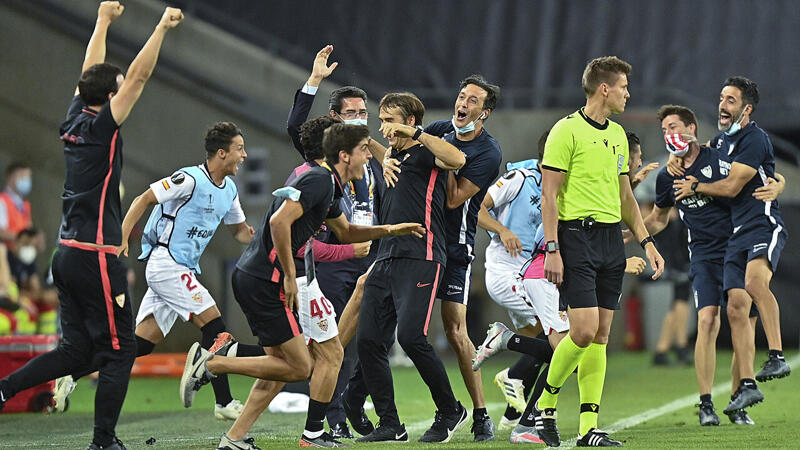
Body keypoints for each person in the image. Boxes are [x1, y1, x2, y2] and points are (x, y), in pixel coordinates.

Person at [0, 3, 184, 449]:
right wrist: (161, 27)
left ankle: (3, 390)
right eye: (117, 87)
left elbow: (91, 73)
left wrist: (102, 21)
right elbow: (138, 77)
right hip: (95, 257)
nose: (124, 88)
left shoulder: (73, 118)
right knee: (120, 351)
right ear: (109, 96)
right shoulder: (101, 129)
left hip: (66, 255)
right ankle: (103, 442)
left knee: (75, 351)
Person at [179, 123, 424, 449]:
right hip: (266, 281)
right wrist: (289, 276)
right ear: (344, 155)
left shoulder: (330, 184)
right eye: (364, 150)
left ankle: (236, 439)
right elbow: (279, 221)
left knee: (292, 365)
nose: (370, 157)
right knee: (299, 366)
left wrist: (390, 230)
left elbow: (346, 231)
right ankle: (212, 363)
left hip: (268, 279)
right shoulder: (319, 180)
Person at [532, 56, 664, 447]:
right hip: (575, 237)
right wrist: (552, 248)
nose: (628, 94)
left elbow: (625, 197)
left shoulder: (619, 136)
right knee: (584, 330)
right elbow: (549, 195)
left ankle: (588, 429)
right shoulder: (565, 130)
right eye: (623, 86)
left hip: (609, 239)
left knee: (602, 335)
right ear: (604, 88)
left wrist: (647, 242)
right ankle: (545, 405)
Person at [384, 74, 503, 441]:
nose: (462, 103)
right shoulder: (438, 130)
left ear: (484, 113)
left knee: (454, 330)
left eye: (472, 100)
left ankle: (480, 413)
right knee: (381, 317)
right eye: (461, 95)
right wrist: (387, 158)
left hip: (454, 247)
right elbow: (400, 147)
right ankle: (372, 413)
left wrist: (444, 159)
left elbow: (453, 199)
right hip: (419, 244)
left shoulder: (488, 152)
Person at [659, 104, 785, 423]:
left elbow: (755, 175)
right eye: (664, 130)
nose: (669, 135)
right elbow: (658, 217)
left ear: (691, 128)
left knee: (741, 314)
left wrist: (779, 182)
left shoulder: (720, 156)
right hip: (703, 255)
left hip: (734, 246)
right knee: (707, 321)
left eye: (674, 127)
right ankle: (706, 404)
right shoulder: (667, 174)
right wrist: (632, 235)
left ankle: (738, 397)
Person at [355, 92, 467, 443]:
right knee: (368, 340)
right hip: (385, 257)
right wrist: (375, 146)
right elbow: (374, 145)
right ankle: (390, 424)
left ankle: (450, 410)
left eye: (390, 121)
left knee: (410, 337)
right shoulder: (391, 156)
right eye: (382, 120)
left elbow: (458, 158)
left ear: (410, 122)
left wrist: (413, 134)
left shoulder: (426, 151)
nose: (384, 127)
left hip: (423, 256)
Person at [285, 46, 385, 439]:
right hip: (331, 259)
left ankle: (351, 406)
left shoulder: (374, 158)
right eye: (351, 112)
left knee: (368, 341)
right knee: (331, 343)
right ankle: (334, 417)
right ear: (334, 119)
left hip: (368, 258)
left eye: (364, 112)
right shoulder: (328, 156)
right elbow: (296, 128)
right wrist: (314, 80)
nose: (360, 118)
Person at [0, 162, 33, 247]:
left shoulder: (25, 205)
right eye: (23, 176)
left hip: (19, 251)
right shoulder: (2, 200)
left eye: (28, 177)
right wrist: (22, 239)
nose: (27, 180)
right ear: (11, 177)